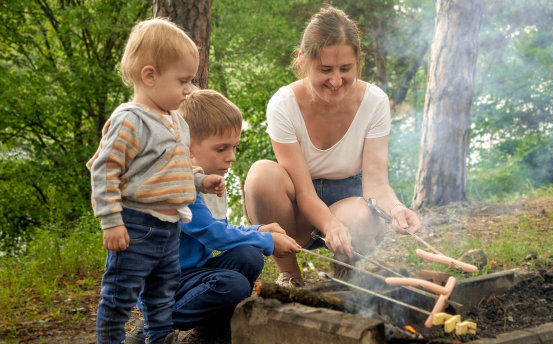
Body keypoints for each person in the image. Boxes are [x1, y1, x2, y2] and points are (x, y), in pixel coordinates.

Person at [243, 6, 421, 288]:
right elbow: (303, 191)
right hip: (298, 208)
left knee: (361, 215)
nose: (336, 81)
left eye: (346, 69)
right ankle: (290, 275)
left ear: (357, 62)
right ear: (303, 61)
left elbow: (375, 182)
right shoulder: (283, 105)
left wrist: (397, 208)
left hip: (350, 203)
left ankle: (348, 273)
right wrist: (329, 225)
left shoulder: (374, 102)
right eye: (325, 69)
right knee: (261, 176)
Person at [125, 89, 301, 344]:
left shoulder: (211, 179)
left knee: (248, 256)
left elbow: (223, 232)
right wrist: (269, 242)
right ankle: (150, 327)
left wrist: (258, 231)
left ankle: (209, 329)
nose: (231, 156)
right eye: (221, 148)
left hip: (191, 273)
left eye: (234, 147)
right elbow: (213, 234)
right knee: (233, 285)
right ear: (189, 147)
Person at [87, 18, 225, 344]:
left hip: (169, 226)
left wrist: (200, 182)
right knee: (120, 292)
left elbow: (173, 170)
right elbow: (104, 170)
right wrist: (111, 221)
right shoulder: (129, 121)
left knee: (161, 294)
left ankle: (160, 339)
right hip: (135, 225)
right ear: (150, 75)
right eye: (183, 80)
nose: (189, 89)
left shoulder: (177, 122)